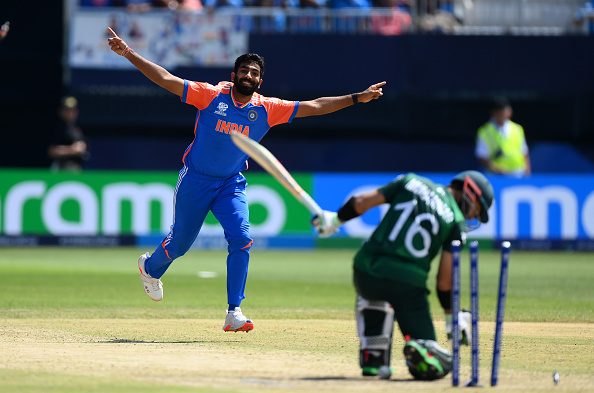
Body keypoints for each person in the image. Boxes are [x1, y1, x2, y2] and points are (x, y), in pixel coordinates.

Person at [107, 27, 385, 333]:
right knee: (181, 244)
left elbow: (316, 106)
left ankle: (234, 311)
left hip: (230, 183)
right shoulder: (211, 95)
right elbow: (167, 80)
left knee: (241, 239)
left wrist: (358, 97)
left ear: (259, 81)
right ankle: (150, 267)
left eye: (254, 73)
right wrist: (129, 53)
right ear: (235, 74)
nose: (248, 75)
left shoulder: (267, 109)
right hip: (196, 179)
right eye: (244, 70)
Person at [312, 170, 494, 380]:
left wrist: (335, 220)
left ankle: (374, 357)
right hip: (408, 285)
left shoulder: (411, 182)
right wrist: (452, 317)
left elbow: (361, 202)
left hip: (367, 269)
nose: (472, 216)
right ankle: (420, 347)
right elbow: (444, 282)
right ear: (469, 191)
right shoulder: (456, 223)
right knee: (437, 362)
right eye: (476, 210)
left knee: (373, 290)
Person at [475, 97, 531, 177]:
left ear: (510, 112)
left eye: (504, 110)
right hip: (496, 176)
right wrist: (494, 168)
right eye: (498, 110)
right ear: (493, 113)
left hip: (518, 173)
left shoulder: (517, 129)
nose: (501, 113)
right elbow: (482, 156)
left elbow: (524, 152)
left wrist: (527, 171)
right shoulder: (485, 131)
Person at [48, 96, 89, 172]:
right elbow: (51, 151)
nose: (71, 113)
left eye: (73, 110)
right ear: (61, 111)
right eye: (67, 110)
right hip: (62, 168)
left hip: (75, 168)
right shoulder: (58, 128)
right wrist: (72, 150)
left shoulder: (74, 127)